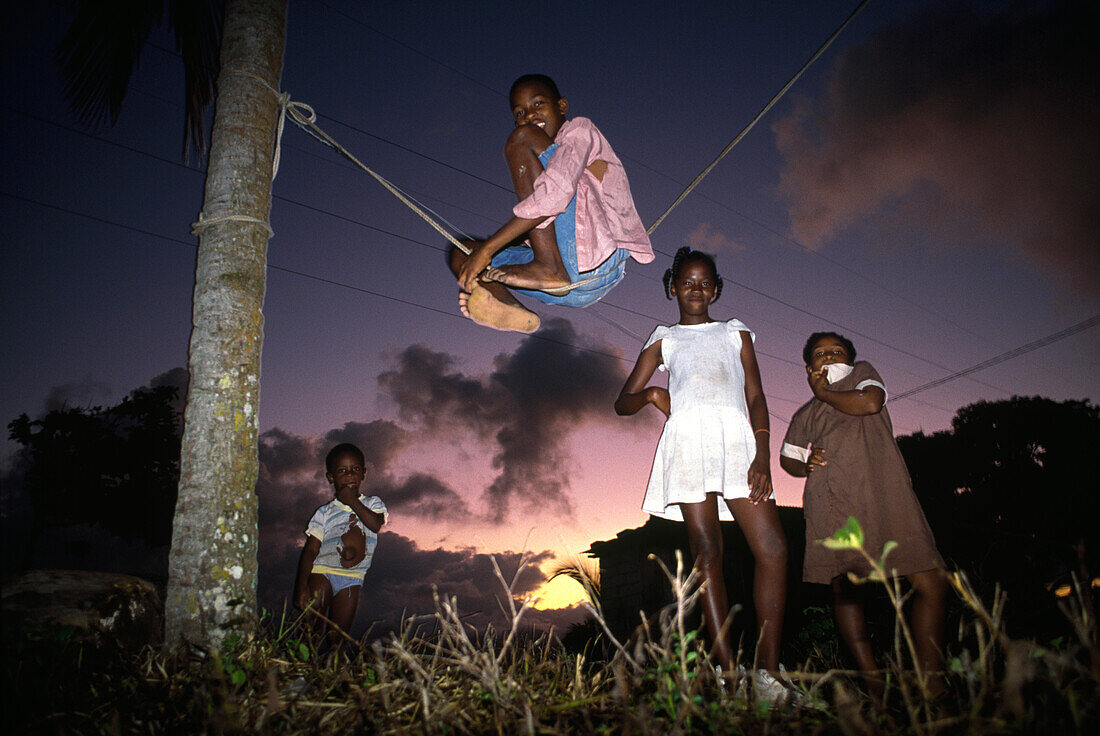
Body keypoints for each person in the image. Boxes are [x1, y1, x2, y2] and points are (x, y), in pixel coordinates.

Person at [615, 247, 792, 701]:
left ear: (716, 288)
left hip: (739, 445)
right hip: (688, 448)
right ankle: (727, 674)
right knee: (707, 554)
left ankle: (767, 675)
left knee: (773, 548)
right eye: (687, 282)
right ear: (672, 287)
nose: (696, 289)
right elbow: (623, 402)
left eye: (704, 282)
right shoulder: (664, 339)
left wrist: (762, 452)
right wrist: (654, 394)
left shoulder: (736, 333)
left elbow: (755, 394)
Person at [779, 332, 946, 697]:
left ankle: (930, 681)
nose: (830, 356)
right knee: (846, 592)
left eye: (837, 351)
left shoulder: (863, 376)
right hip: (834, 501)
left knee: (930, 582)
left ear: (851, 360)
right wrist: (804, 466)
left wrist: (825, 393)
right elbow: (787, 455)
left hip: (886, 494)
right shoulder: (807, 413)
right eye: (821, 354)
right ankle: (874, 684)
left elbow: (871, 403)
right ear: (810, 368)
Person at [452, 73, 654, 333]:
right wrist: (480, 252)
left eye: (538, 104)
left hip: (599, 259)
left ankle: (547, 265)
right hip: (570, 289)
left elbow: (556, 194)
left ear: (561, 107)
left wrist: (488, 249)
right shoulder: (543, 161)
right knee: (462, 253)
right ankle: (505, 304)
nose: (530, 116)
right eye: (520, 113)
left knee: (521, 139)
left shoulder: (581, 131)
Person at [293, 442, 388, 648]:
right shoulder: (324, 512)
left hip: (352, 579)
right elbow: (310, 550)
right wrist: (301, 586)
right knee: (312, 625)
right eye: (342, 471)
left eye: (355, 469)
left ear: (364, 473)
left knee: (338, 636)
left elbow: (375, 525)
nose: (350, 475)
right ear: (331, 478)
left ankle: (334, 672)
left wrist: (352, 501)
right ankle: (303, 670)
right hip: (322, 572)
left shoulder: (373, 504)